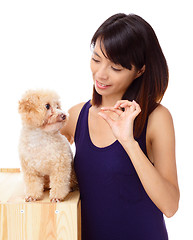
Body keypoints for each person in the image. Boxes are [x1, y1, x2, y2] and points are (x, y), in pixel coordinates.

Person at [61, 13, 180, 240]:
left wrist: (128, 142)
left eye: (115, 67)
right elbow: (40, 157)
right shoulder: (76, 115)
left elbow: (170, 206)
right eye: (96, 59)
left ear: (140, 70)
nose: (101, 74)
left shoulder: (157, 118)